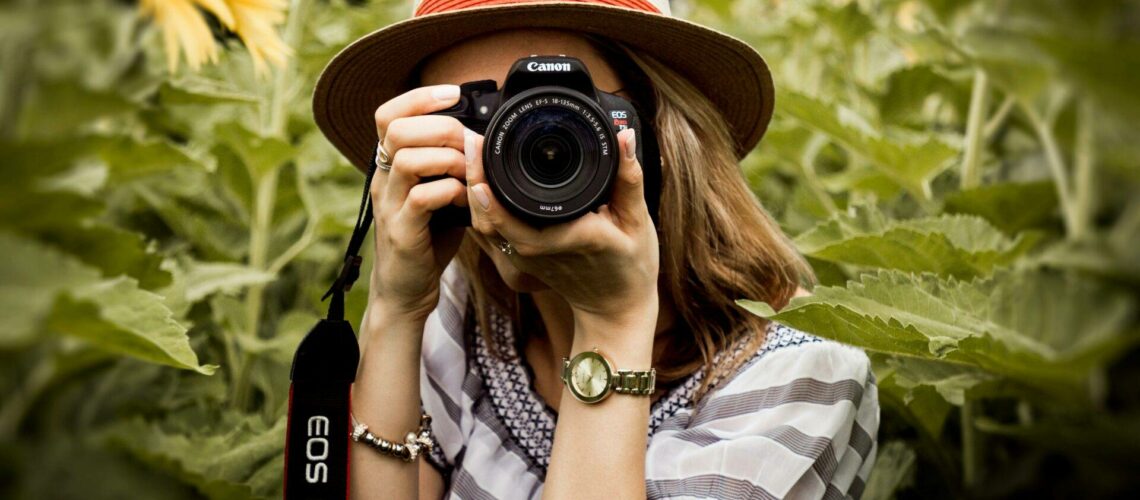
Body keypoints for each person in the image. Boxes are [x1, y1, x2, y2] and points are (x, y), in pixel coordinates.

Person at [311, 1, 879, 498]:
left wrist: (612, 320)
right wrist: (394, 306)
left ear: (662, 134)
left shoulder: (804, 375)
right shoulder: (466, 307)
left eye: (559, 110)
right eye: (481, 120)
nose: (518, 157)